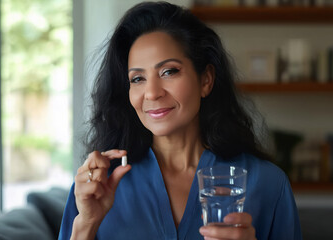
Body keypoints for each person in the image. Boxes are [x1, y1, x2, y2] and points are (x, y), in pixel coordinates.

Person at [59, 1, 302, 239]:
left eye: (169, 71)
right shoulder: (97, 188)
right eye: (137, 79)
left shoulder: (268, 184)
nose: (152, 93)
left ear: (206, 80)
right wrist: (86, 225)